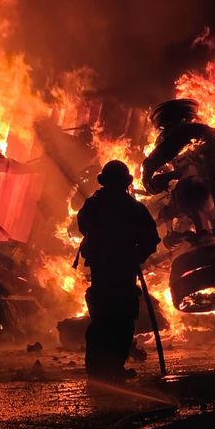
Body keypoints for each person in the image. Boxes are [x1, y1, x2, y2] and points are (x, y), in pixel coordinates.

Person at [76, 160, 160, 380]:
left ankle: (96, 368)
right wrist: (136, 256)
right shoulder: (132, 207)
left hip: (102, 269)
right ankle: (113, 367)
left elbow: (82, 227)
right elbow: (151, 239)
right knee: (121, 318)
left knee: (102, 318)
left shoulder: (93, 204)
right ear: (125, 182)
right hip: (122, 271)